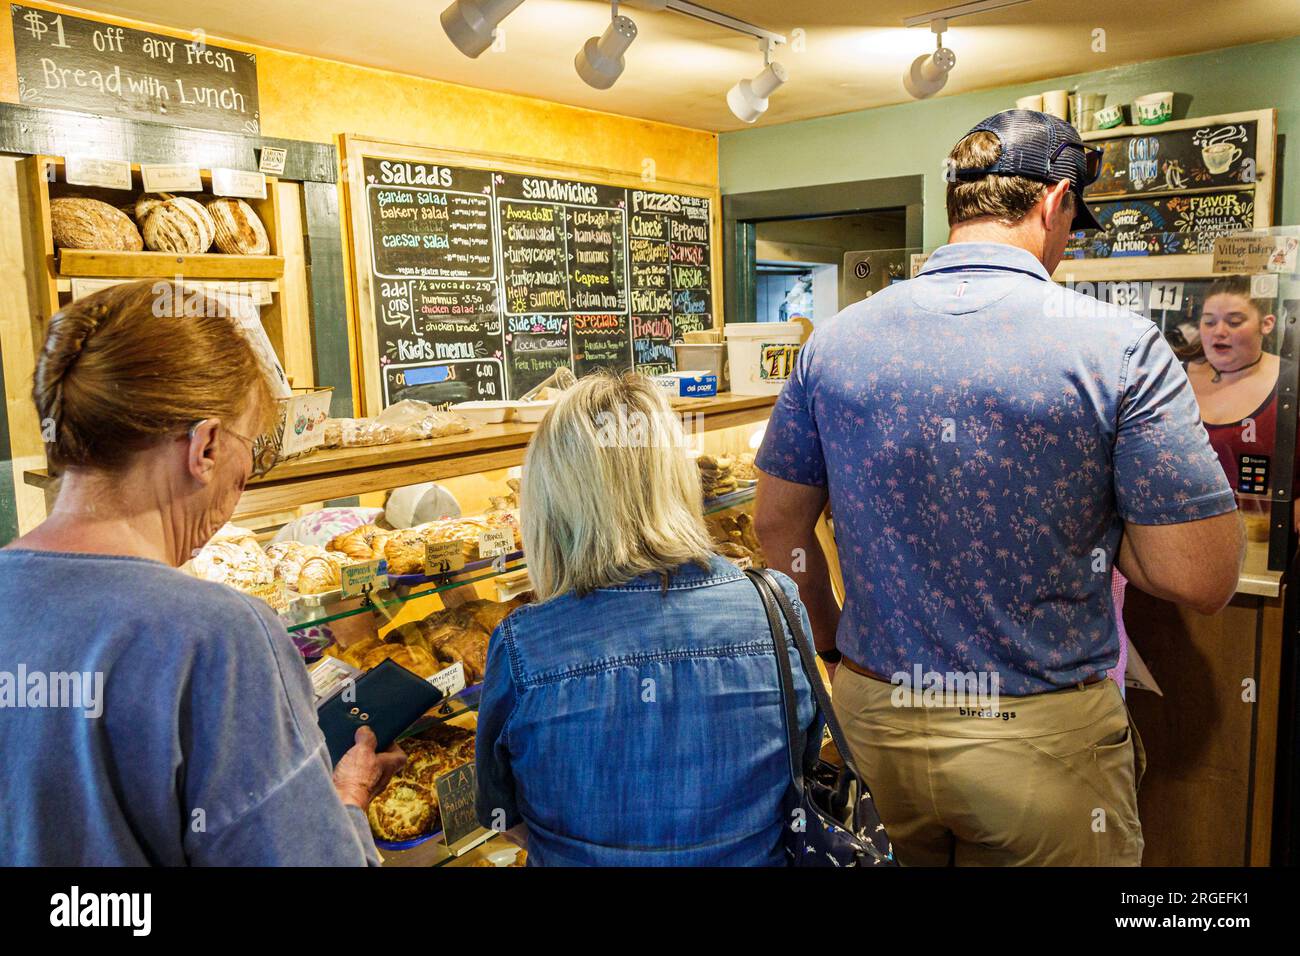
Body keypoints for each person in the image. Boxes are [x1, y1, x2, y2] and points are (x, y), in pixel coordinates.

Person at [753, 109, 1244, 866]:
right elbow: (1203, 576)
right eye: (1075, 216)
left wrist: (832, 642)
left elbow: (776, 529)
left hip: (874, 721)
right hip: (1040, 743)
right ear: (1054, 201)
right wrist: (1108, 532)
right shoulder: (1118, 345)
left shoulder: (834, 343)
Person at [0, 280, 405, 866]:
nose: (248, 475)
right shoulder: (217, 634)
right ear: (207, 447)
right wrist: (341, 802)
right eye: (254, 448)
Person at [474, 373, 818, 866]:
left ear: (551, 502)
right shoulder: (776, 606)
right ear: (677, 481)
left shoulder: (523, 646)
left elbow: (500, 815)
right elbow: (799, 767)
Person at [1185, 275, 1300, 533]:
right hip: (1186, 532)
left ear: (1267, 324)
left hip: (1266, 537)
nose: (1219, 331)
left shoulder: (1292, 381)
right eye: (1209, 321)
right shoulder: (1173, 379)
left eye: (1234, 321)